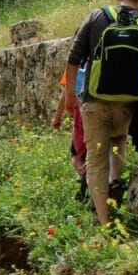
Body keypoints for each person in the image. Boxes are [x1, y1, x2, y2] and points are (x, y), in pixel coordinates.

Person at [63, 0, 138, 225]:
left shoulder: (97, 17)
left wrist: (70, 97)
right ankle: (115, 179)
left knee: (96, 160)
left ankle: (105, 223)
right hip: (128, 105)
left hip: (95, 102)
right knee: (118, 138)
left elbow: (73, 58)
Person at [52, 65, 89, 201]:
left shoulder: (76, 65)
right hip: (106, 115)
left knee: (77, 155)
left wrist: (57, 118)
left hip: (82, 120)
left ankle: (85, 179)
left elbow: (65, 94)